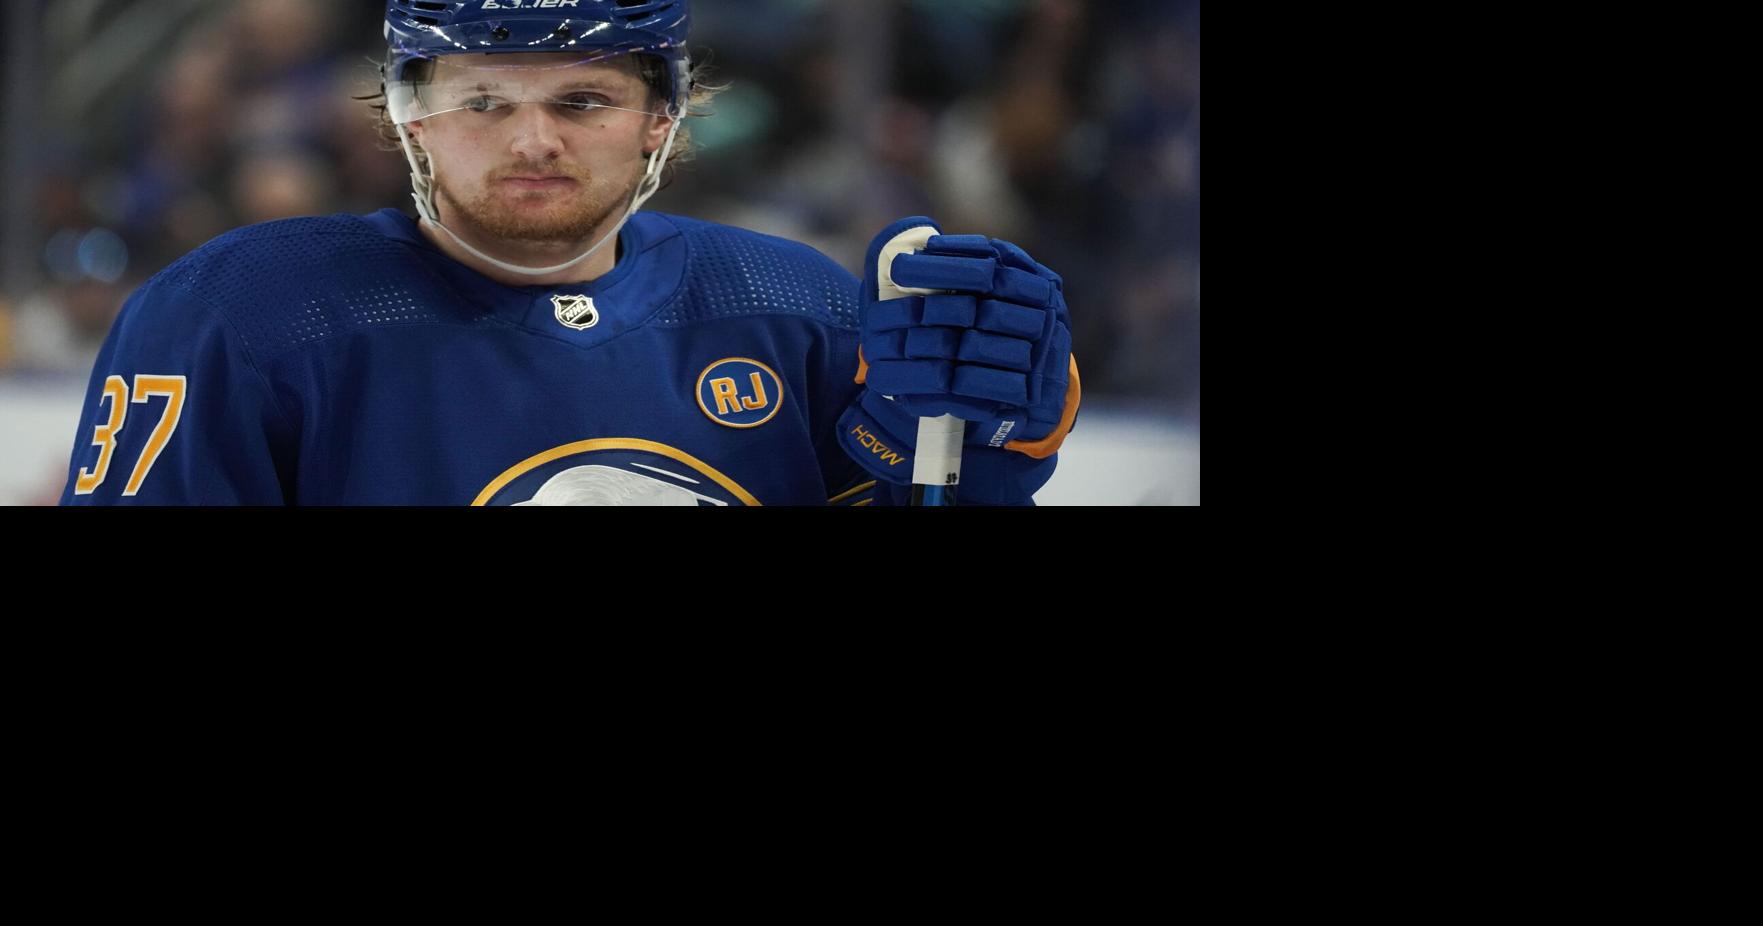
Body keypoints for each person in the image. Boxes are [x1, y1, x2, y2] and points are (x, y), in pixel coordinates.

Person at [59, 0, 1078, 506]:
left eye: (582, 100)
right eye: (483, 101)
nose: (532, 141)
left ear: (662, 119)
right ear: (410, 116)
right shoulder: (244, 313)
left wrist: (979, 468)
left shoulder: (795, 305)